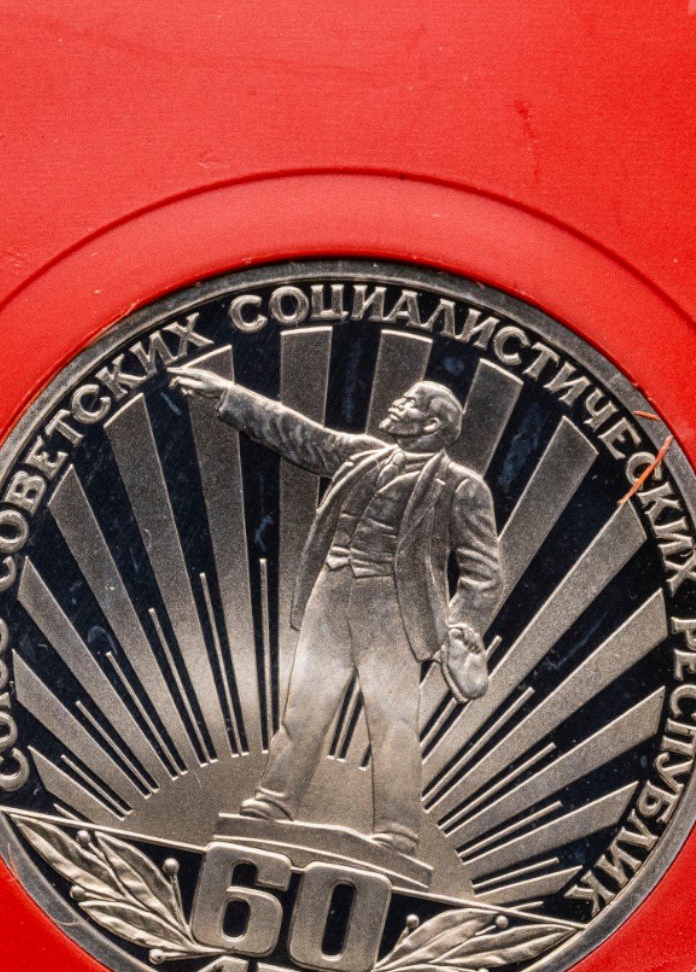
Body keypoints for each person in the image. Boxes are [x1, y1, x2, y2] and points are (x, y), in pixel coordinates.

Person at [171, 366, 502, 857]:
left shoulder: (461, 486)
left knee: (392, 722)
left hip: (394, 611)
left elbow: (484, 572)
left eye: (410, 402)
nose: (396, 404)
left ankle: (397, 833)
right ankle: (274, 801)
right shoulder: (363, 455)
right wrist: (229, 395)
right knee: (303, 706)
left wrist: (461, 626)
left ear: (433, 425)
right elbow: (298, 434)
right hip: (331, 592)